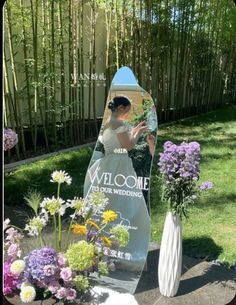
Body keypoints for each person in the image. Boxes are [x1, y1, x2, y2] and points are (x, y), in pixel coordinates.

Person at [83, 95, 151, 267]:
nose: (128, 115)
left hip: (108, 163)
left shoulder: (107, 124)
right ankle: (120, 243)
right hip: (119, 164)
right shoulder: (119, 124)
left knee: (109, 201)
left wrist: (134, 130)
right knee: (125, 201)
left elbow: (120, 143)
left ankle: (102, 243)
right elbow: (128, 146)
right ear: (120, 108)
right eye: (127, 111)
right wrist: (139, 133)